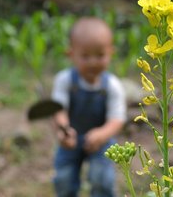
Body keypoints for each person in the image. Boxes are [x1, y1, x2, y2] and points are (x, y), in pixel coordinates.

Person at [51, 16, 126, 197]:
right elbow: (59, 109)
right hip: (71, 137)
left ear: (111, 53)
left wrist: (101, 134)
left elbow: (117, 119)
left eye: (100, 55)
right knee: (64, 178)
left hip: (102, 140)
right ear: (71, 54)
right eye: (85, 56)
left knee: (102, 179)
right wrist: (64, 129)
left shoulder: (112, 85)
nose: (93, 62)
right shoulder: (65, 80)